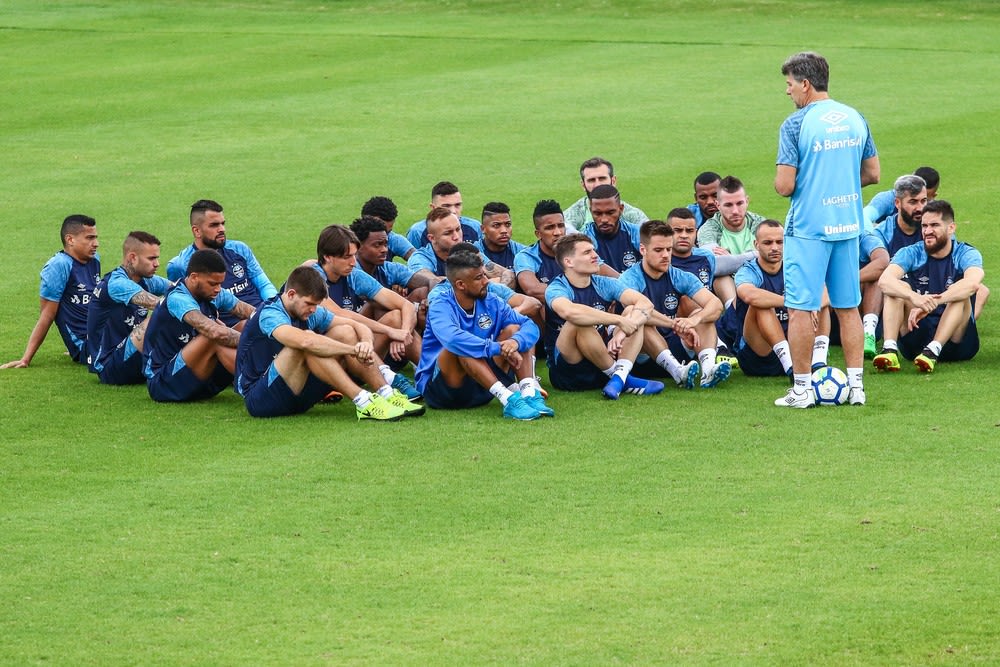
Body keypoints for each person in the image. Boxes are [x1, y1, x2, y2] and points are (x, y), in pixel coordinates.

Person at [775, 50, 879, 407]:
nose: (787, 92)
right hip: (848, 225)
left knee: (802, 308)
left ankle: (802, 389)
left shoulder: (795, 124)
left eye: (789, 85)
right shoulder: (855, 117)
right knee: (848, 307)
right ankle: (856, 388)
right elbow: (873, 174)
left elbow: (785, 185)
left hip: (809, 228)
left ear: (805, 84)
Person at [235, 266, 422, 420]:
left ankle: (386, 393)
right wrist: (352, 350)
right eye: (309, 303)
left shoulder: (310, 311)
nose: (313, 309)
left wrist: (365, 342)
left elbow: (357, 324)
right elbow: (306, 341)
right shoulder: (270, 314)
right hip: (261, 400)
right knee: (307, 342)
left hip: (298, 393)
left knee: (345, 331)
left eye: (316, 304)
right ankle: (364, 402)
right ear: (291, 294)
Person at [416, 249, 552, 420]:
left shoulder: (491, 300)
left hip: (482, 384)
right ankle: (508, 399)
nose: (486, 281)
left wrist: (515, 343)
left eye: (484, 275)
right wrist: (497, 348)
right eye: (479, 278)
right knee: (460, 346)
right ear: (460, 285)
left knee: (515, 330)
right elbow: (452, 338)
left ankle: (528, 393)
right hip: (443, 393)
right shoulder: (441, 305)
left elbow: (529, 325)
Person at [544, 233, 663, 399]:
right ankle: (624, 380)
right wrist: (618, 320)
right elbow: (569, 312)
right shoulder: (556, 288)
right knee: (577, 322)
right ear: (568, 262)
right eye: (587, 253)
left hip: (601, 362)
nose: (595, 256)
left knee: (632, 311)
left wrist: (623, 329)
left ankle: (619, 376)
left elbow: (645, 304)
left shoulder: (603, 283)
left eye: (594, 250)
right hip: (570, 373)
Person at [311, 224, 422, 397]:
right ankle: (388, 381)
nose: (353, 262)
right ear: (328, 257)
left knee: (395, 316)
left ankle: (431, 375)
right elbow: (340, 314)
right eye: (347, 257)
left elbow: (405, 305)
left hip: (359, 354)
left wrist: (403, 332)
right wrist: (390, 331)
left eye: (354, 255)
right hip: (325, 358)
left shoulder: (353, 275)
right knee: (344, 330)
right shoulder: (313, 278)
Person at [873, 200, 983, 373]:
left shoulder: (965, 253)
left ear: (951, 228)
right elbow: (884, 281)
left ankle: (934, 350)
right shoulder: (911, 252)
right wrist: (914, 297)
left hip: (956, 342)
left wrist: (934, 302)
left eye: (934, 225)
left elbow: (973, 283)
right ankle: (889, 349)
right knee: (897, 287)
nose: (927, 231)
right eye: (924, 226)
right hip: (917, 334)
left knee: (961, 293)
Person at [619, 221, 730, 389]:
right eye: (658, 250)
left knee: (702, 313)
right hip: (641, 356)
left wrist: (694, 320)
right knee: (638, 317)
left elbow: (715, 304)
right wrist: (674, 324)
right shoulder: (629, 279)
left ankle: (708, 371)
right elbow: (641, 311)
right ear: (643, 250)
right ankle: (678, 372)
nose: (665, 255)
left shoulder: (678, 275)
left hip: (675, 346)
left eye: (668, 249)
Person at [718, 220, 831, 379]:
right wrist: (792, 303)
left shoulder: (795, 267)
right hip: (759, 355)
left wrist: (813, 305)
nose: (775, 247)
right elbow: (748, 294)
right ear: (756, 244)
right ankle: (790, 368)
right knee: (760, 304)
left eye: (780, 242)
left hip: (796, 344)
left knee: (820, 301)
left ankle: (819, 363)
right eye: (768, 243)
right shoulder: (749, 270)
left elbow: (827, 291)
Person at [143, 249, 256, 402]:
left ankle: (267, 374)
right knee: (213, 337)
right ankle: (258, 384)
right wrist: (255, 343)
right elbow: (213, 332)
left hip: (197, 375)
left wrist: (277, 328)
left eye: (220, 283)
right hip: (164, 383)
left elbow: (251, 313)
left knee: (246, 325)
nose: (218, 289)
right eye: (212, 283)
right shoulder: (178, 298)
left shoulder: (212, 292)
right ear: (194, 277)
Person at [3, 214, 100, 369]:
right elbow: (47, 315)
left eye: (95, 238)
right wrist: (26, 359)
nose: (96, 244)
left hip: (101, 335)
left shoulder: (94, 259)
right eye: (89, 238)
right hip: (89, 346)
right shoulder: (58, 267)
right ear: (70, 240)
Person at [166, 199, 277, 326]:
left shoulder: (239, 249)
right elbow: (186, 306)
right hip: (229, 329)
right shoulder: (180, 265)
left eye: (223, 223)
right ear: (197, 231)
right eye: (214, 225)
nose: (222, 229)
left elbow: (264, 285)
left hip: (261, 316)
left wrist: (273, 309)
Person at [87, 231, 171, 384]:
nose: (157, 263)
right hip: (109, 366)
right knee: (161, 315)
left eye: (157, 258)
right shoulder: (117, 283)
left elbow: (181, 290)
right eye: (151, 258)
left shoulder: (147, 280)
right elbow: (162, 306)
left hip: (132, 356)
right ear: (132, 258)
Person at [696, 175, 766, 306]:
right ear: (718, 204)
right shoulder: (709, 229)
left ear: (747, 201)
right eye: (728, 205)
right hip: (731, 285)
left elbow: (780, 254)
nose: (735, 211)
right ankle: (734, 316)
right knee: (721, 278)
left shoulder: (759, 224)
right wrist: (758, 254)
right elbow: (714, 265)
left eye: (739, 203)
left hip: (759, 281)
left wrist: (731, 260)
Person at [408, 207, 513, 287]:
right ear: (432, 238)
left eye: (458, 229)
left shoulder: (467, 251)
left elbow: (508, 274)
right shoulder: (420, 258)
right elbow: (433, 282)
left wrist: (501, 288)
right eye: (448, 233)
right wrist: (482, 283)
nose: (456, 237)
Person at [562, 157, 648, 233]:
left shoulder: (634, 215)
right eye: (591, 180)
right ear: (583, 185)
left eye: (602, 179)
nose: (597, 184)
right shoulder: (571, 216)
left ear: (613, 181)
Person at [515, 199, 569, 303]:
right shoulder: (526, 257)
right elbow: (533, 289)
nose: (558, 232)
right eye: (550, 228)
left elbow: (604, 275)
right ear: (538, 234)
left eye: (561, 225)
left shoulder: (577, 250)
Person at [581, 183, 642, 273]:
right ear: (591, 211)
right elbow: (597, 268)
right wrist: (625, 286)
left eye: (610, 212)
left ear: (621, 209)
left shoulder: (635, 233)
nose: (604, 219)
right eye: (598, 213)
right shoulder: (585, 238)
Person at [406, 181, 481, 248]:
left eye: (457, 205)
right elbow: (413, 260)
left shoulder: (475, 227)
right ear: (433, 208)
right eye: (446, 206)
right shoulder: (417, 232)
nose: (453, 211)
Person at [864, 166, 939, 230]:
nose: (919, 208)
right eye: (913, 200)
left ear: (933, 197)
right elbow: (864, 216)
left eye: (924, 200)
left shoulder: (934, 212)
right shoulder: (887, 199)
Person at [361, 195, 416, 262]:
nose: (384, 236)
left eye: (387, 232)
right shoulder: (347, 242)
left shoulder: (393, 239)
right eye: (378, 230)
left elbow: (417, 259)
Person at [474, 202, 527, 271]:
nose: (504, 230)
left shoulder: (522, 251)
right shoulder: (472, 253)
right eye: (496, 225)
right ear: (483, 229)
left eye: (508, 224)